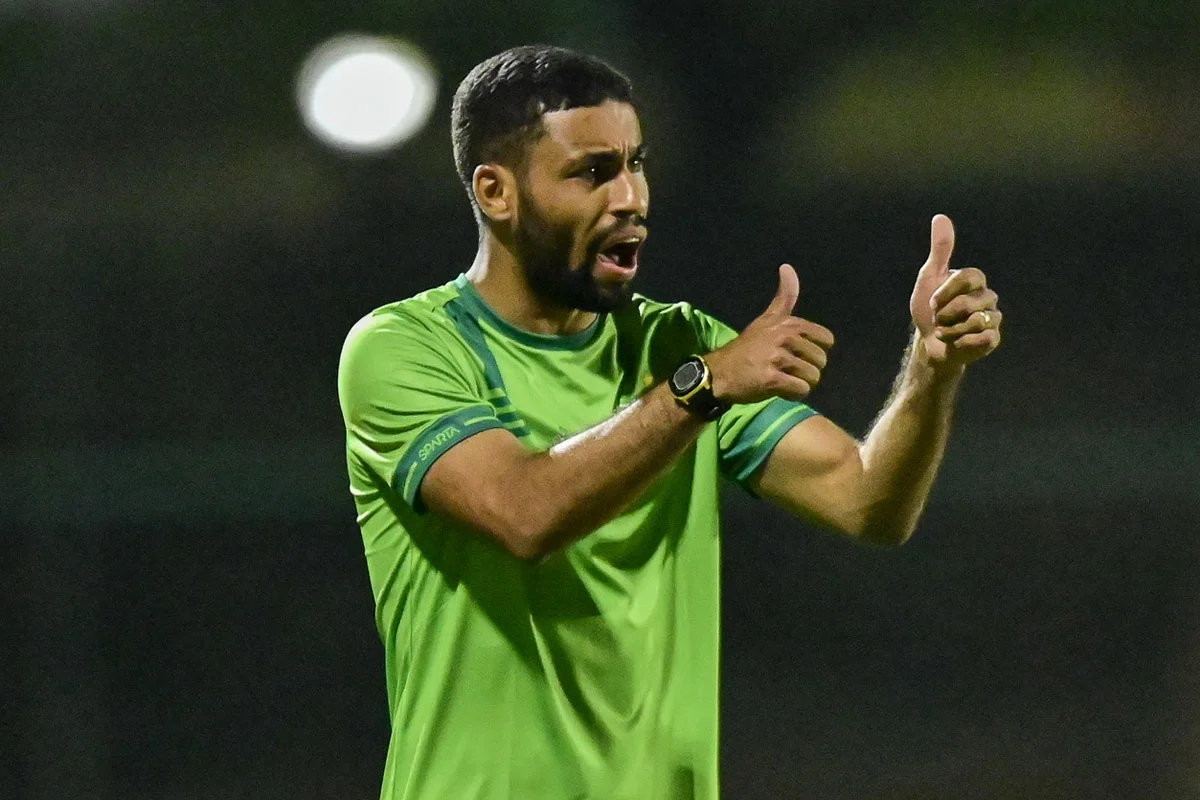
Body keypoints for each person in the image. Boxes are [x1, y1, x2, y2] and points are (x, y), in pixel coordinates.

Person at [337, 44, 1002, 800]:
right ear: (496, 191)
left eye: (636, 164)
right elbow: (523, 512)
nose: (631, 198)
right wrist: (702, 386)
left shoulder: (677, 344)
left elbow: (866, 500)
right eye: (592, 172)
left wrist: (930, 370)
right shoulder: (404, 348)